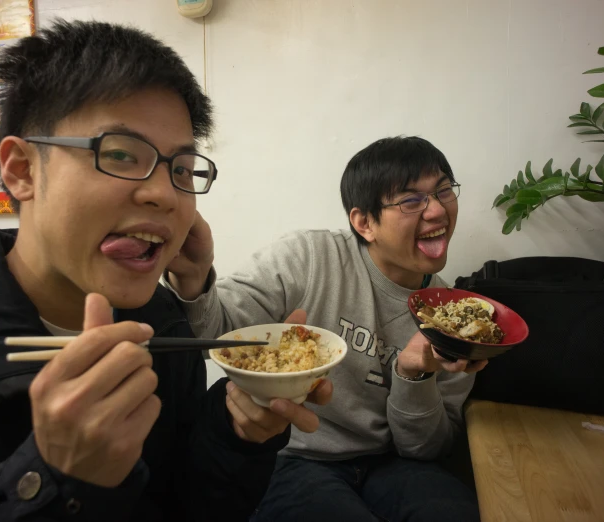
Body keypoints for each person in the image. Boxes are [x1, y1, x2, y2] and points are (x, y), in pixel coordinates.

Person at [0, 20, 331, 522]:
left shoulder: (159, 320)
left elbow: (194, 505)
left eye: (182, 169)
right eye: (119, 154)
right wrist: (55, 479)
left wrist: (239, 433)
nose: (164, 193)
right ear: (22, 169)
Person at [165, 136, 486, 521]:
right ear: (364, 222)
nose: (436, 211)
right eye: (410, 200)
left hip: (392, 464)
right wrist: (195, 278)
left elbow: (426, 450)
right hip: (296, 457)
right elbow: (214, 337)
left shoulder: (455, 320)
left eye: (444, 191)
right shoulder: (308, 259)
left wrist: (411, 375)